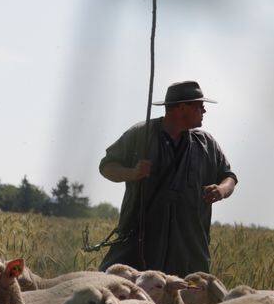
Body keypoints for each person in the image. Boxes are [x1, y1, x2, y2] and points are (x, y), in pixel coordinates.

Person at [98, 80, 237, 277]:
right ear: (182, 108)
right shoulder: (141, 134)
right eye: (200, 106)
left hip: (189, 248)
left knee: (188, 300)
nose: (204, 111)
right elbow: (107, 166)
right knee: (118, 294)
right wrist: (132, 173)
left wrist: (221, 190)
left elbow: (229, 177)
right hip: (139, 241)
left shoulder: (207, 144)